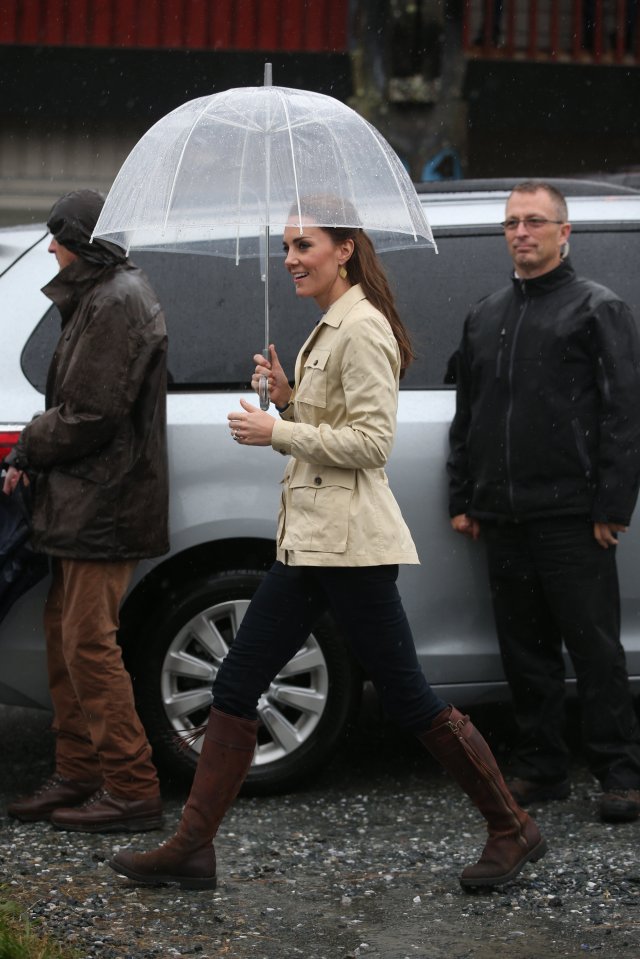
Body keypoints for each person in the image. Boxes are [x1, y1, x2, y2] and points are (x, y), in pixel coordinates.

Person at [108, 197, 546, 892]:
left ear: (345, 250)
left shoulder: (362, 327)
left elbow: (372, 443)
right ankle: (192, 846)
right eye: (286, 246)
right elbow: (334, 422)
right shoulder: (329, 327)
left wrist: (276, 431)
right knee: (236, 682)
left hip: (348, 545)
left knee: (408, 697)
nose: (290, 259)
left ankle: (510, 825)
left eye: (303, 245)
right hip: (311, 541)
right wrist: (289, 397)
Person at [448, 180, 640, 824]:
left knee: (594, 648)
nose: (521, 233)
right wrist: (464, 497)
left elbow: (622, 414)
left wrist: (612, 506)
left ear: (565, 233)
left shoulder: (597, 308)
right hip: (502, 513)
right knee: (524, 649)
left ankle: (620, 771)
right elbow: (467, 414)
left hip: (573, 515)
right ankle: (542, 766)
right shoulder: (486, 314)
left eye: (534, 222)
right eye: (511, 223)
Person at [4, 189, 169, 832]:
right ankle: (77, 771)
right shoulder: (100, 295)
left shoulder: (117, 302)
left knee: (89, 645)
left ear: (84, 243)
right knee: (64, 638)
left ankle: (132, 787)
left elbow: (91, 415)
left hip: (107, 502)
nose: (50, 248)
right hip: (84, 503)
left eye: (59, 238)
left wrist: (28, 444)